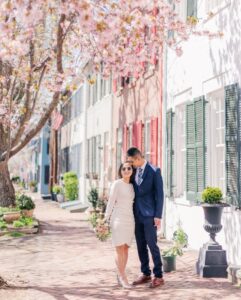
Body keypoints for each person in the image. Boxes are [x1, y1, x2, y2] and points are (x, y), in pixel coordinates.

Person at [127, 147, 164, 288]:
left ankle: (159, 275)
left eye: (131, 161)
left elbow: (159, 195)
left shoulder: (154, 171)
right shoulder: (134, 171)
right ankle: (146, 273)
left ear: (137, 158)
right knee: (141, 245)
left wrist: (158, 215)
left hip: (150, 215)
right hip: (137, 214)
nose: (130, 164)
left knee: (152, 244)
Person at [104, 162, 135, 289]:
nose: (126, 170)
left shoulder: (133, 186)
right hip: (118, 218)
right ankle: (123, 276)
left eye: (129, 168)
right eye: (124, 168)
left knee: (126, 248)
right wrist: (105, 219)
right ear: (120, 171)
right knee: (119, 247)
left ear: (132, 170)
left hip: (130, 219)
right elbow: (111, 202)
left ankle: (120, 274)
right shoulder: (117, 184)